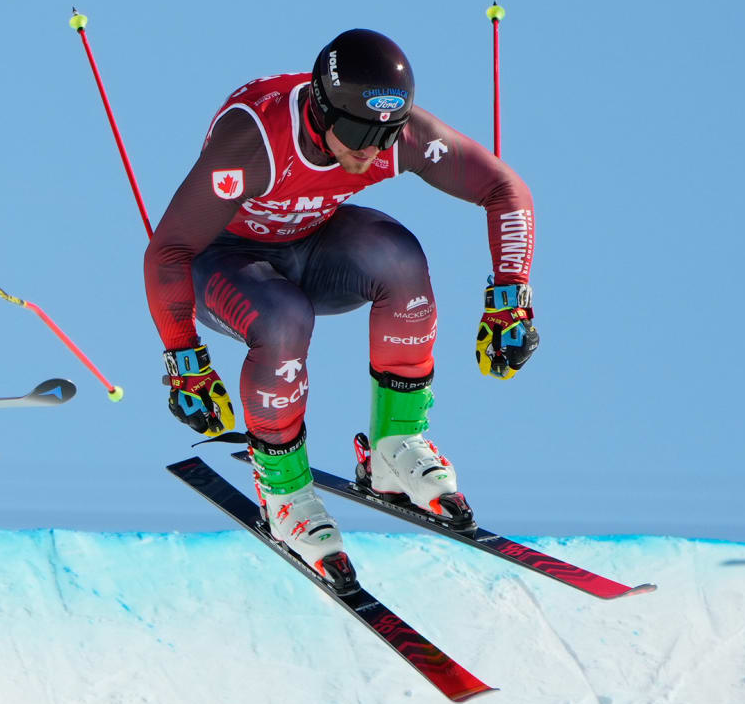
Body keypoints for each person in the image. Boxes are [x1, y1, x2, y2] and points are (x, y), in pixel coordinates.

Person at [143, 29, 539, 586]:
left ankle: (395, 444)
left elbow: (504, 188)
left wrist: (510, 298)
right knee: (283, 320)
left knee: (399, 261)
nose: (371, 149)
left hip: (312, 245)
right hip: (224, 263)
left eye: (387, 134)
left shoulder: (392, 137)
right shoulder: (254, 140)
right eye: (357, 131)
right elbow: (168, 250)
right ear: (319, 109)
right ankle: (283, 493)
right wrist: (186, 360)